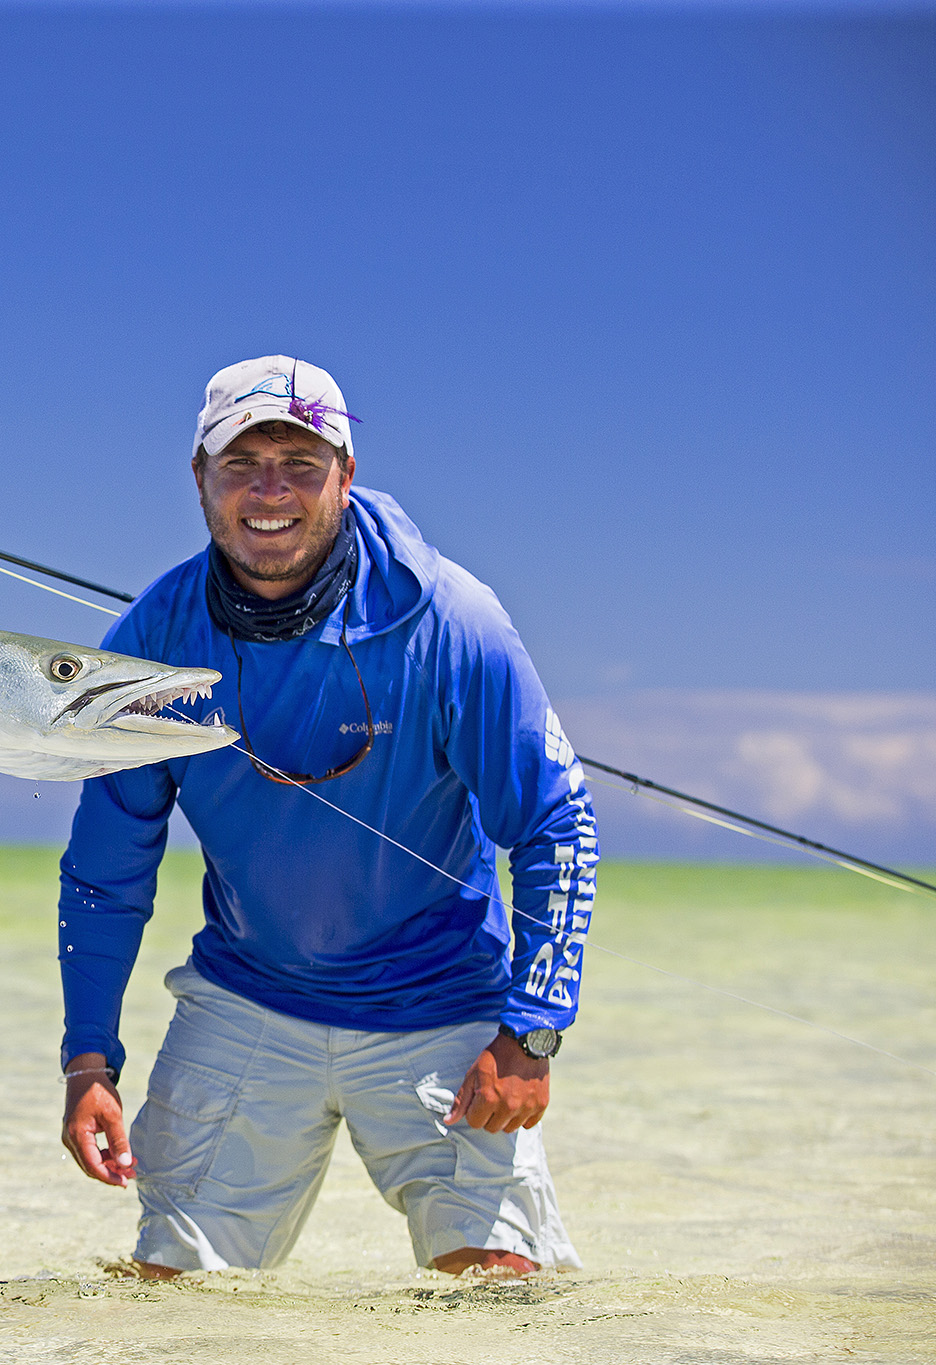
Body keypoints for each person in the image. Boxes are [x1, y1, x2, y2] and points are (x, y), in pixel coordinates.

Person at [57, 355, 597, 1278]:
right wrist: (88, 1062)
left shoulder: (454, 622)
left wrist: (533, 1028)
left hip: (445, 1005)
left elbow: (556, 825)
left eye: (301, 464)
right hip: (247, 996)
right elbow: (108, 867)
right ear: (201, 479)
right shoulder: (150, 639)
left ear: (346, 476)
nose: (270, 492)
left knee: (502, 1310)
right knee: (164, 1314)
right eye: (242, 464)